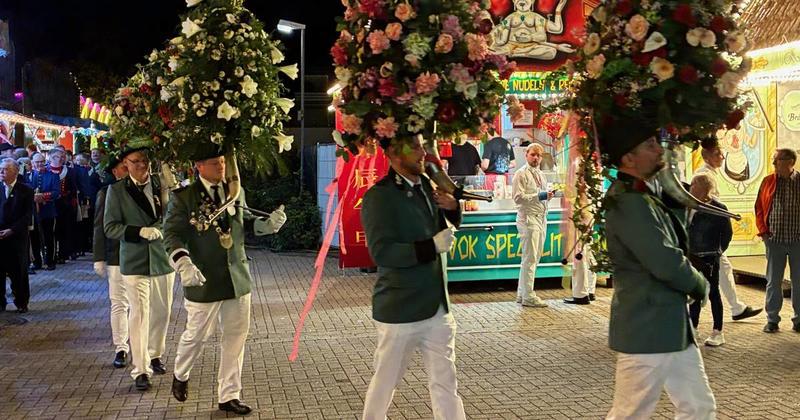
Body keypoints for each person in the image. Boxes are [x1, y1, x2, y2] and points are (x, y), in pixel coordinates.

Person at [602, 121, 715, 419]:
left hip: (670, 326)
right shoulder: (628, 201)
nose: (658, 150)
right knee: (630, 413)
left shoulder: (645, 195)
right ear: (628, 158)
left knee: (699, 408)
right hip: (648, 324)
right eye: (649, 145)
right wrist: (699, 284)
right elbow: (664, 260)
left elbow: (676, 238)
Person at [164, 147, 287, 415]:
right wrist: (182, 261)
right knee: (196, 335)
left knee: (235, 338)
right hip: (203, 278)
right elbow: (172, 234)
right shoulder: (184, 197)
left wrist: (268, 225)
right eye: (214, 162)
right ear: (198, 165)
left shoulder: (235, 191)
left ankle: (229, 395)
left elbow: (245, 223)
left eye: (222, 161)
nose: (221, 167)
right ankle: (181, 373)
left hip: (237, 277)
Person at [360, 135, 465, 420]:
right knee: (386, 383)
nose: (423, 153)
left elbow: (450, 215)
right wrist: (431, 247)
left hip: (437, 306)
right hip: (400, 308)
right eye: (416, 147)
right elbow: (381, 252)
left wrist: (453, 207)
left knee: (446, 383)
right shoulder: (379, 196)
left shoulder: (427, 187)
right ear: (394, 153)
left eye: (423, 146)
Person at [104, 147, 175, 391]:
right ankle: (141, 369)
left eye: (144, 161)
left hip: (162, 258)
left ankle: (155, 353)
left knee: (162, 312)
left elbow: (174, 216)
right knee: (139, 314)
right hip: (134, 260)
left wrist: (162, 229)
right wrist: (137, 232)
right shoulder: (116, 190)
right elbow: (110, 227)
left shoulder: (162, 184)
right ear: (125, 163)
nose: (141, 166)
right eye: (135, 162)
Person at [693, 139, 762, 321]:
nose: (722, 157)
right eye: (717, 153)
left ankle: (736, 307)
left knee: (723, 270)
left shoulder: (710, 173)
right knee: (715, 273)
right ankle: (726, 310)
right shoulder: (703, 175)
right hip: (707, 236)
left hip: (708, 235)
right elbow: (706, 205)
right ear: (706, 156)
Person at [755, 148, 800, 333]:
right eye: (774, 160)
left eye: (777, 160)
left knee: (799, 281)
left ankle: (798, 320)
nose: (774, 164)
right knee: (773, 281)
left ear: (790, 161)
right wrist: (764, 233)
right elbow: (758, 207)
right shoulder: (768, 181)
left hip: (797, 240)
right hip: (775, 240)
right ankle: (772, 319)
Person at [93, 154, 130, 368]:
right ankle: (121, 347)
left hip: (142, 256)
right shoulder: (106, 193)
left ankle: (146, 348)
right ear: (115, 171)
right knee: (119, 303)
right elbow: (99, 227)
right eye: (123, 167)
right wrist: (99, 257)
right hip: (116, 255)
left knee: (141, 305)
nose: (128, 171)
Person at [688, 174, 732, 346]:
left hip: (709, 257)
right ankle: (693, 327)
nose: (690, 187)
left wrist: (718, 252)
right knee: (694, 292)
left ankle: (717, 331)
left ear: (704, 189)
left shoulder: (718, 209)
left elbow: (727, 234)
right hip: (692, 256)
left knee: (713, 292)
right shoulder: (689, 205)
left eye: (694, 185)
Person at [513, 144, 554, 307]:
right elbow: (517, 198)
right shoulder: (520, 174)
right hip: (528, 219)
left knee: (534, 257)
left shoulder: (541, 174)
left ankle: (522, 293)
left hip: (541, 218)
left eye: (538, 155)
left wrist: (547, 196)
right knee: (530, 258)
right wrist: (540, 196)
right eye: (533, 155)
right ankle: (528, 295)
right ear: (526, 154)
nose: (536, 158)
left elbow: (541, 195)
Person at [0, 159, 34, 313]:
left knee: (18, 271)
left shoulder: (25, 190)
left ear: (15, 171)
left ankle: (21, 302)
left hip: (16, 238)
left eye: (5, 169)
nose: (1, 172)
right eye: (0, 169)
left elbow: (27, 216)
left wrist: (12, 230)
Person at [26, 153, 59, 271]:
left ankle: (50, 261)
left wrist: (43, 196)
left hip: (48, 211)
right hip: (33, 212)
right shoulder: (28, 176)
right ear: (33, 163)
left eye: (41, 161)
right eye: (37, 162)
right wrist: (33, 196)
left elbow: (56, 192)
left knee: (49, 237)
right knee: (34, 238)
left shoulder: (53, 176)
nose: (39, 164)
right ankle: (37, 262)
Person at [48, 148, 78, 263]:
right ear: (50, 157)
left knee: (64, 229)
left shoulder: (69, 171)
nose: (60, 159)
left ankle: (63, 254)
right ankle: (51, 254)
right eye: (56, 157)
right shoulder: (46, 170)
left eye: (62, 157)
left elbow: (74, 188)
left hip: (65, 205)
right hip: (50, 204)